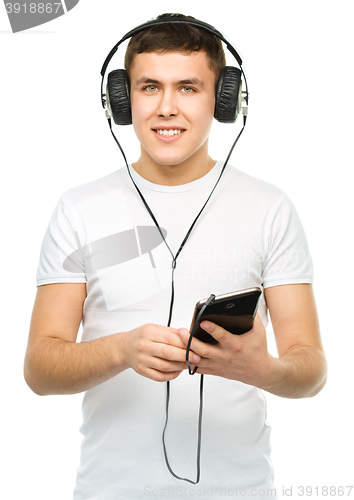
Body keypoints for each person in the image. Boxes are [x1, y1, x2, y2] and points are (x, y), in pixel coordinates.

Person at [24, 13, 327, 500]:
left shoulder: (270, 208)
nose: (167, 108)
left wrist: (261, 369)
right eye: (149, 87)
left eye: (188, 87)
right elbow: (39, 369)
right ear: (122, 99)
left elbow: (310, 369)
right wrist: (120, 351)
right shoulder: (78, 209)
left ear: (223, 100)